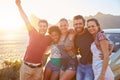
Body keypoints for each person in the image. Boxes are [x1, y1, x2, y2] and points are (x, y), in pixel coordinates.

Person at [15, 0, 51, 80]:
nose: (42, 28)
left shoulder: (48, 38)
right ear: (38, 27)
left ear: (47, 27)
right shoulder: (32, 32)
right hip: (26, 67)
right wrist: (19, 6)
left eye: (44, 26)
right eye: (41, 26)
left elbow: (57, 38)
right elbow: (25, 18)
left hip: (38, 69)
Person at [73, 15, 94, 80]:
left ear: (84, 24)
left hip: (90, 66)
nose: (78, 26)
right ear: (73, 25)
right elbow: (76, 51)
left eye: (80, 24)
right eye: (76, 24)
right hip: (80, 65)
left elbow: (101, 36)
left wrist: (110, 46)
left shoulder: (90, 32)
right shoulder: (75, 36)